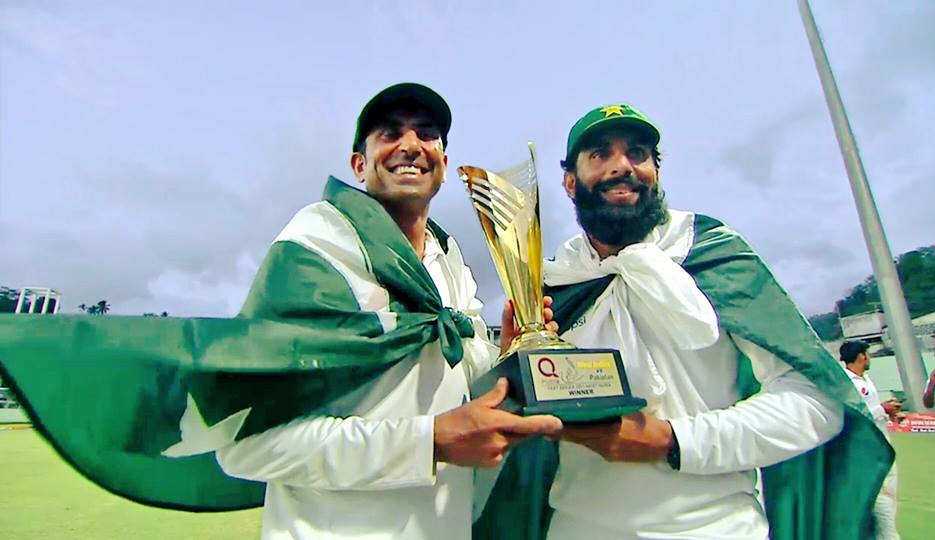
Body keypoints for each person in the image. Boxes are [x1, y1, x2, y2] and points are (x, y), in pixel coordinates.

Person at [474, 104, 893, 540]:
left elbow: (815, 404)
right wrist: (515, 365)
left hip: (714, 528)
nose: (622, 166)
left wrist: (674, 441)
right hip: (574, 527)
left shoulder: (713, 256)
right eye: (599, 154)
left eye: (638, 153)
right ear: (569, 181)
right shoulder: (555, 283)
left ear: (656, 170)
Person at [213, 83, 562, 539]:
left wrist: (509, 352)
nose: (411, 145)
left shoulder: (447, 257)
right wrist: (427, 442)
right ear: (359, 164)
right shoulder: (315, 249)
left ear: (443, 165)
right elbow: (245, 445)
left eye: (427, 133)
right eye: (389, 133)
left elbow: (450, 375)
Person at [840, 340, 901, 540]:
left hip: (883, 443)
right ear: (861, 356)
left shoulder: (865, 379)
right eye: (868, 353)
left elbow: (871, 412)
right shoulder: (846, 382)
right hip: (866, 449)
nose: (870, 358)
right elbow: (855, 415)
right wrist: (882, 409)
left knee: (889, 495)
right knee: (879, 499)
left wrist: (887, 414)